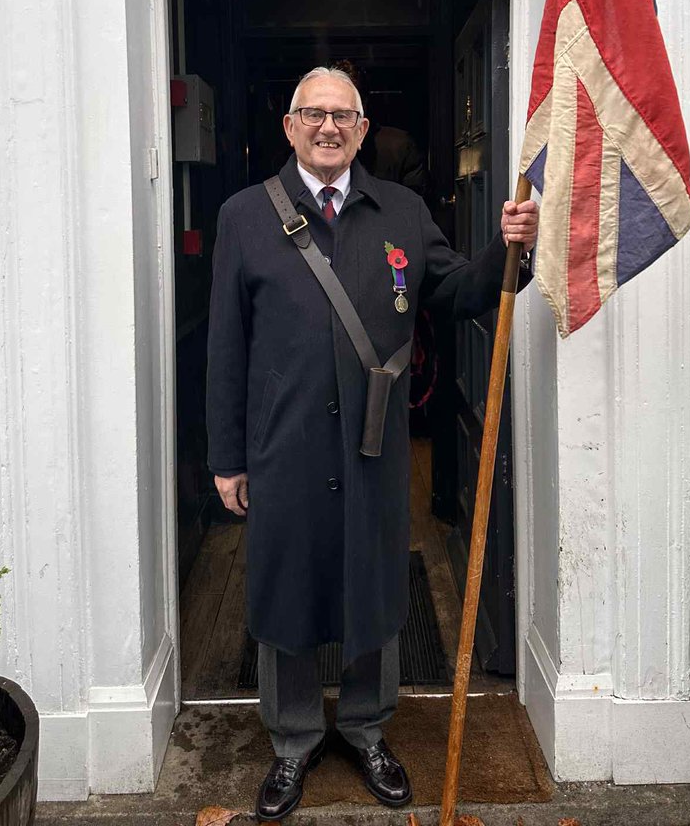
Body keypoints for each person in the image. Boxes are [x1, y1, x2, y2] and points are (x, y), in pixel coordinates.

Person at [206, 67, 538, 822]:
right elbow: (225, 347)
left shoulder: (403, 210)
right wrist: (226, 458)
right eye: (313, 114)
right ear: (289, 127)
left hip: (375, 448)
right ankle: (291, 743)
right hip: (282, 447)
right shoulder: (243, 217)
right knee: (285, 588)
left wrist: (507, 247)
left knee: (374, 585)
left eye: (343, 115)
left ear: (363, 129)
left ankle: (365, 728)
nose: (328, 127)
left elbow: (455, 293)